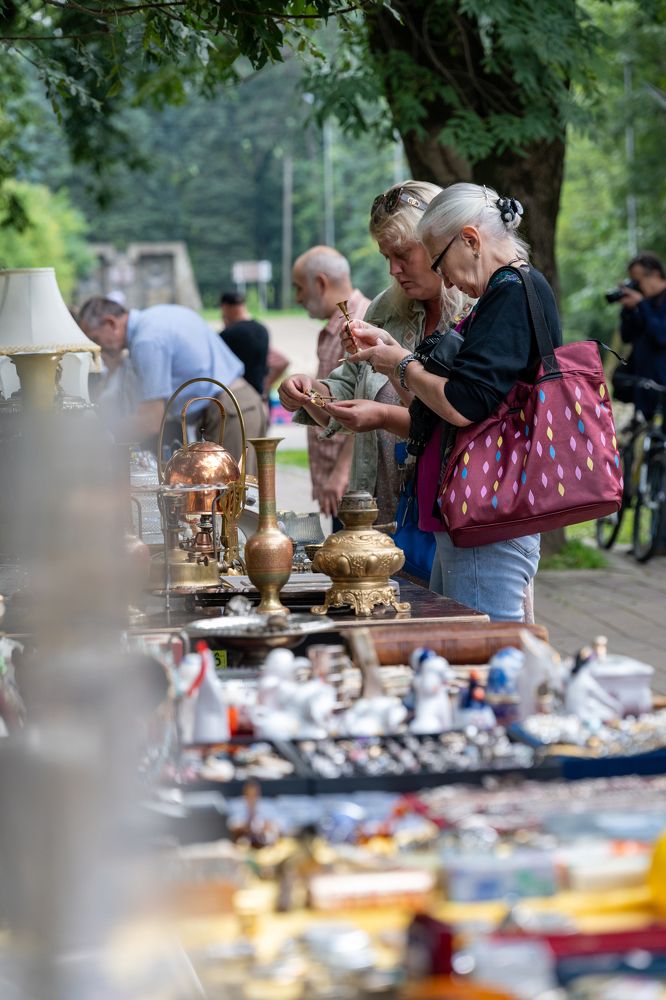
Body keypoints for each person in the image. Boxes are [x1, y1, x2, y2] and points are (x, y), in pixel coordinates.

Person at [338, 182, 561, 622]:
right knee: (462, 647)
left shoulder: (509, 293)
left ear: (471, 240)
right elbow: (440, 408)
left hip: (487, 520)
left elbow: (462, 404)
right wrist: (389, 353)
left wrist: (400, 364)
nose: (446, 278)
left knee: (482, 656)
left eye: (440, 261)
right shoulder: (509, 291)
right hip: (474, 518)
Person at [279, 184, 463, 526]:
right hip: (379, 521)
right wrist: (308, 394)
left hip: (453, 522)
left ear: (438, 243)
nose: (393, 270)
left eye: (403, 254)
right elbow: (342, 397)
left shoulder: (477, 313)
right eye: (385, 258)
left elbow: (459, 421)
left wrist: (383, 411)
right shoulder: (384, 309)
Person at [78, 297, 267, 470]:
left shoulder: (146, 341)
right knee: (239, 497)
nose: (99, 348)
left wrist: (106, 440)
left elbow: (150, 419)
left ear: (111, 323)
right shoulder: (159, 315)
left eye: (96, 339)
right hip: (239, 404)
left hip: (227, 411)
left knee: (230, 500)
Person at [285, 246, 371, 520]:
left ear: (321, 283)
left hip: (353, 484)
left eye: (299, 288)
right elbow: (337, 394)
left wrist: (341, 472)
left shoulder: (363, 320)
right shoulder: (333, 328)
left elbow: (368, 403)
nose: (298, 298)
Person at [617, 252, 666, 418]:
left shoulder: (649, 303)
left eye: (638, 281)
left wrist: (642, 304)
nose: (636, 287)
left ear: (655, 274)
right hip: (643, 383)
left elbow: (661, 336)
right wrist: (628, 311)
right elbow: (626, 336)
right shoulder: (645, 302)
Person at [219, 291, 269, 396]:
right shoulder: (262, 329)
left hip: (238, 397)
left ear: (225, 307)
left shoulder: (228, 334)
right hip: (259, 394)